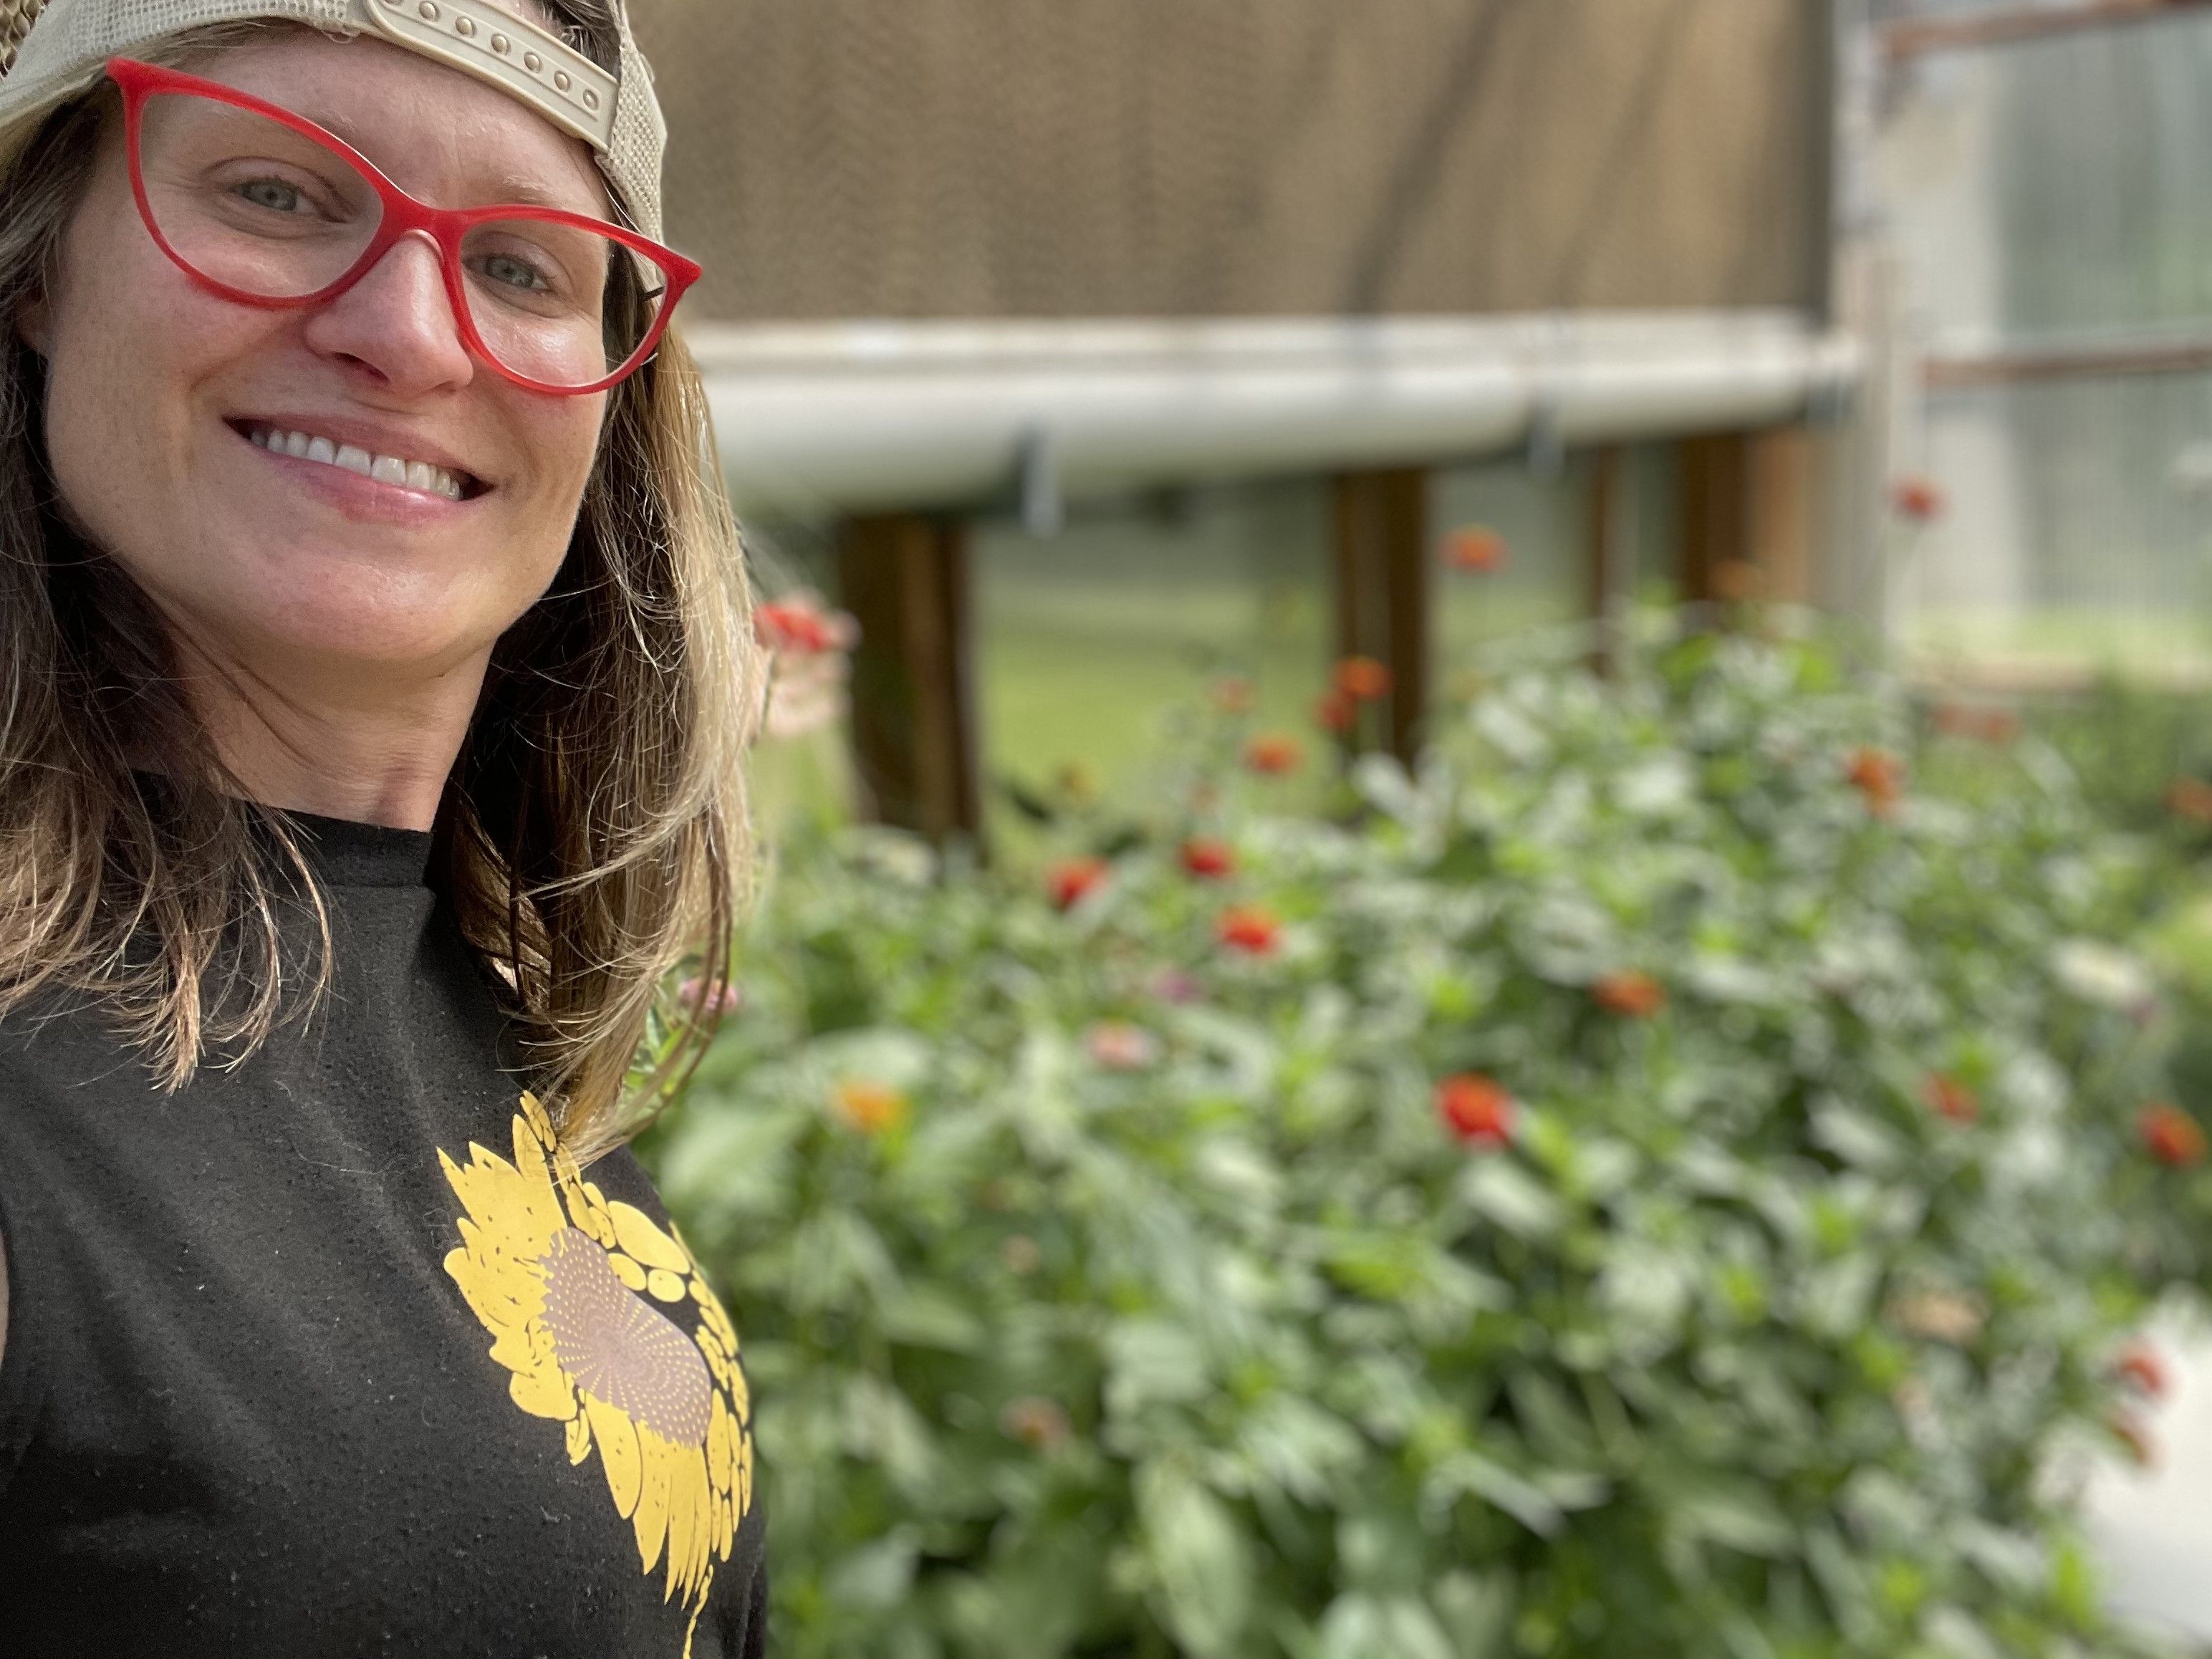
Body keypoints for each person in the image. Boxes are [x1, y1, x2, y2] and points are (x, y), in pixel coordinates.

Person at [0, 0, 766, 1652]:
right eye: (276, 194)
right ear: (35, 268)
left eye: (521, 265)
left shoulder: (479, 1022)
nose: (410, 333)